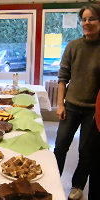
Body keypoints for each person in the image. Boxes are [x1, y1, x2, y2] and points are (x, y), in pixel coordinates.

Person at [53, 4, 100, 200]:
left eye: (91, 19)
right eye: (84, 19)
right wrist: (61, 104)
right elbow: (63, 77)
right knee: (61, 146)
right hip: (71, 106)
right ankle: (53, 181)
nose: (86, 23)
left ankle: (77, 186)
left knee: (85, 151)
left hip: (93, 111)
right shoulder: (73, 46)